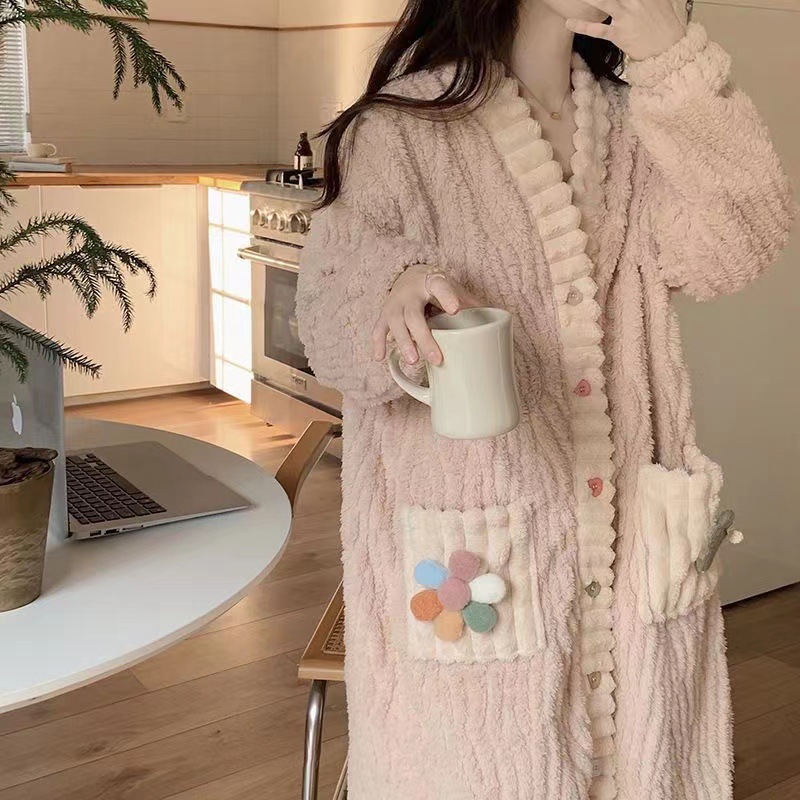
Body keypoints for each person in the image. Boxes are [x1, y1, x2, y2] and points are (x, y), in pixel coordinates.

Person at [295, 0, 796, 797]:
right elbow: (327, 312)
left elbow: (738, 246)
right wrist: (392, 291)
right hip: (480, 547)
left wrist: (675, 62)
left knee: (644, 755)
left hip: (633, 540)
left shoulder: (641, 122)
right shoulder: (402, 126)